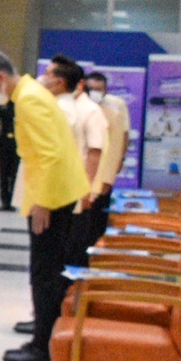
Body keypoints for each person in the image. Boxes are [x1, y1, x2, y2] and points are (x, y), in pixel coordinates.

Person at [0, 50, 88, 361]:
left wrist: (42, 204)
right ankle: (44, 333)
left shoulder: (29, 99)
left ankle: (43, 347)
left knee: (44, 271)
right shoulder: (30, 93)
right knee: (46, 269)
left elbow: (49, 155)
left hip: (53, 195)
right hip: (55, 190)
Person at [44, 56, 106, 269]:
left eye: (49, 74)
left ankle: (73, 294)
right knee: (59, 246)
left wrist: (87, 188)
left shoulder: (90, 110)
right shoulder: (62, 104)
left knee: (72, 246)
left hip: (78, 187)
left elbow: (95, 151)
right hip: (61, 187)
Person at [81, 70, 131, 247]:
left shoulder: (115, 109)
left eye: (99, 89)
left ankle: (94, 251)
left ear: (106, 90)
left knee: (97, 219)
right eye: (91, 88)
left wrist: (112, 172)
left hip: (102, 174)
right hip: (81, 174)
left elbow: (120, 140)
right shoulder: (80, 109)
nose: (95, 92)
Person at [0, 93, 19, 213]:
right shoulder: (0, 102)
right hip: (3, 141)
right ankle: (4, 201)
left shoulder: (20, 101)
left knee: (14, 173)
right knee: (3, 172)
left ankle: (13, 200)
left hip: (18, 142)